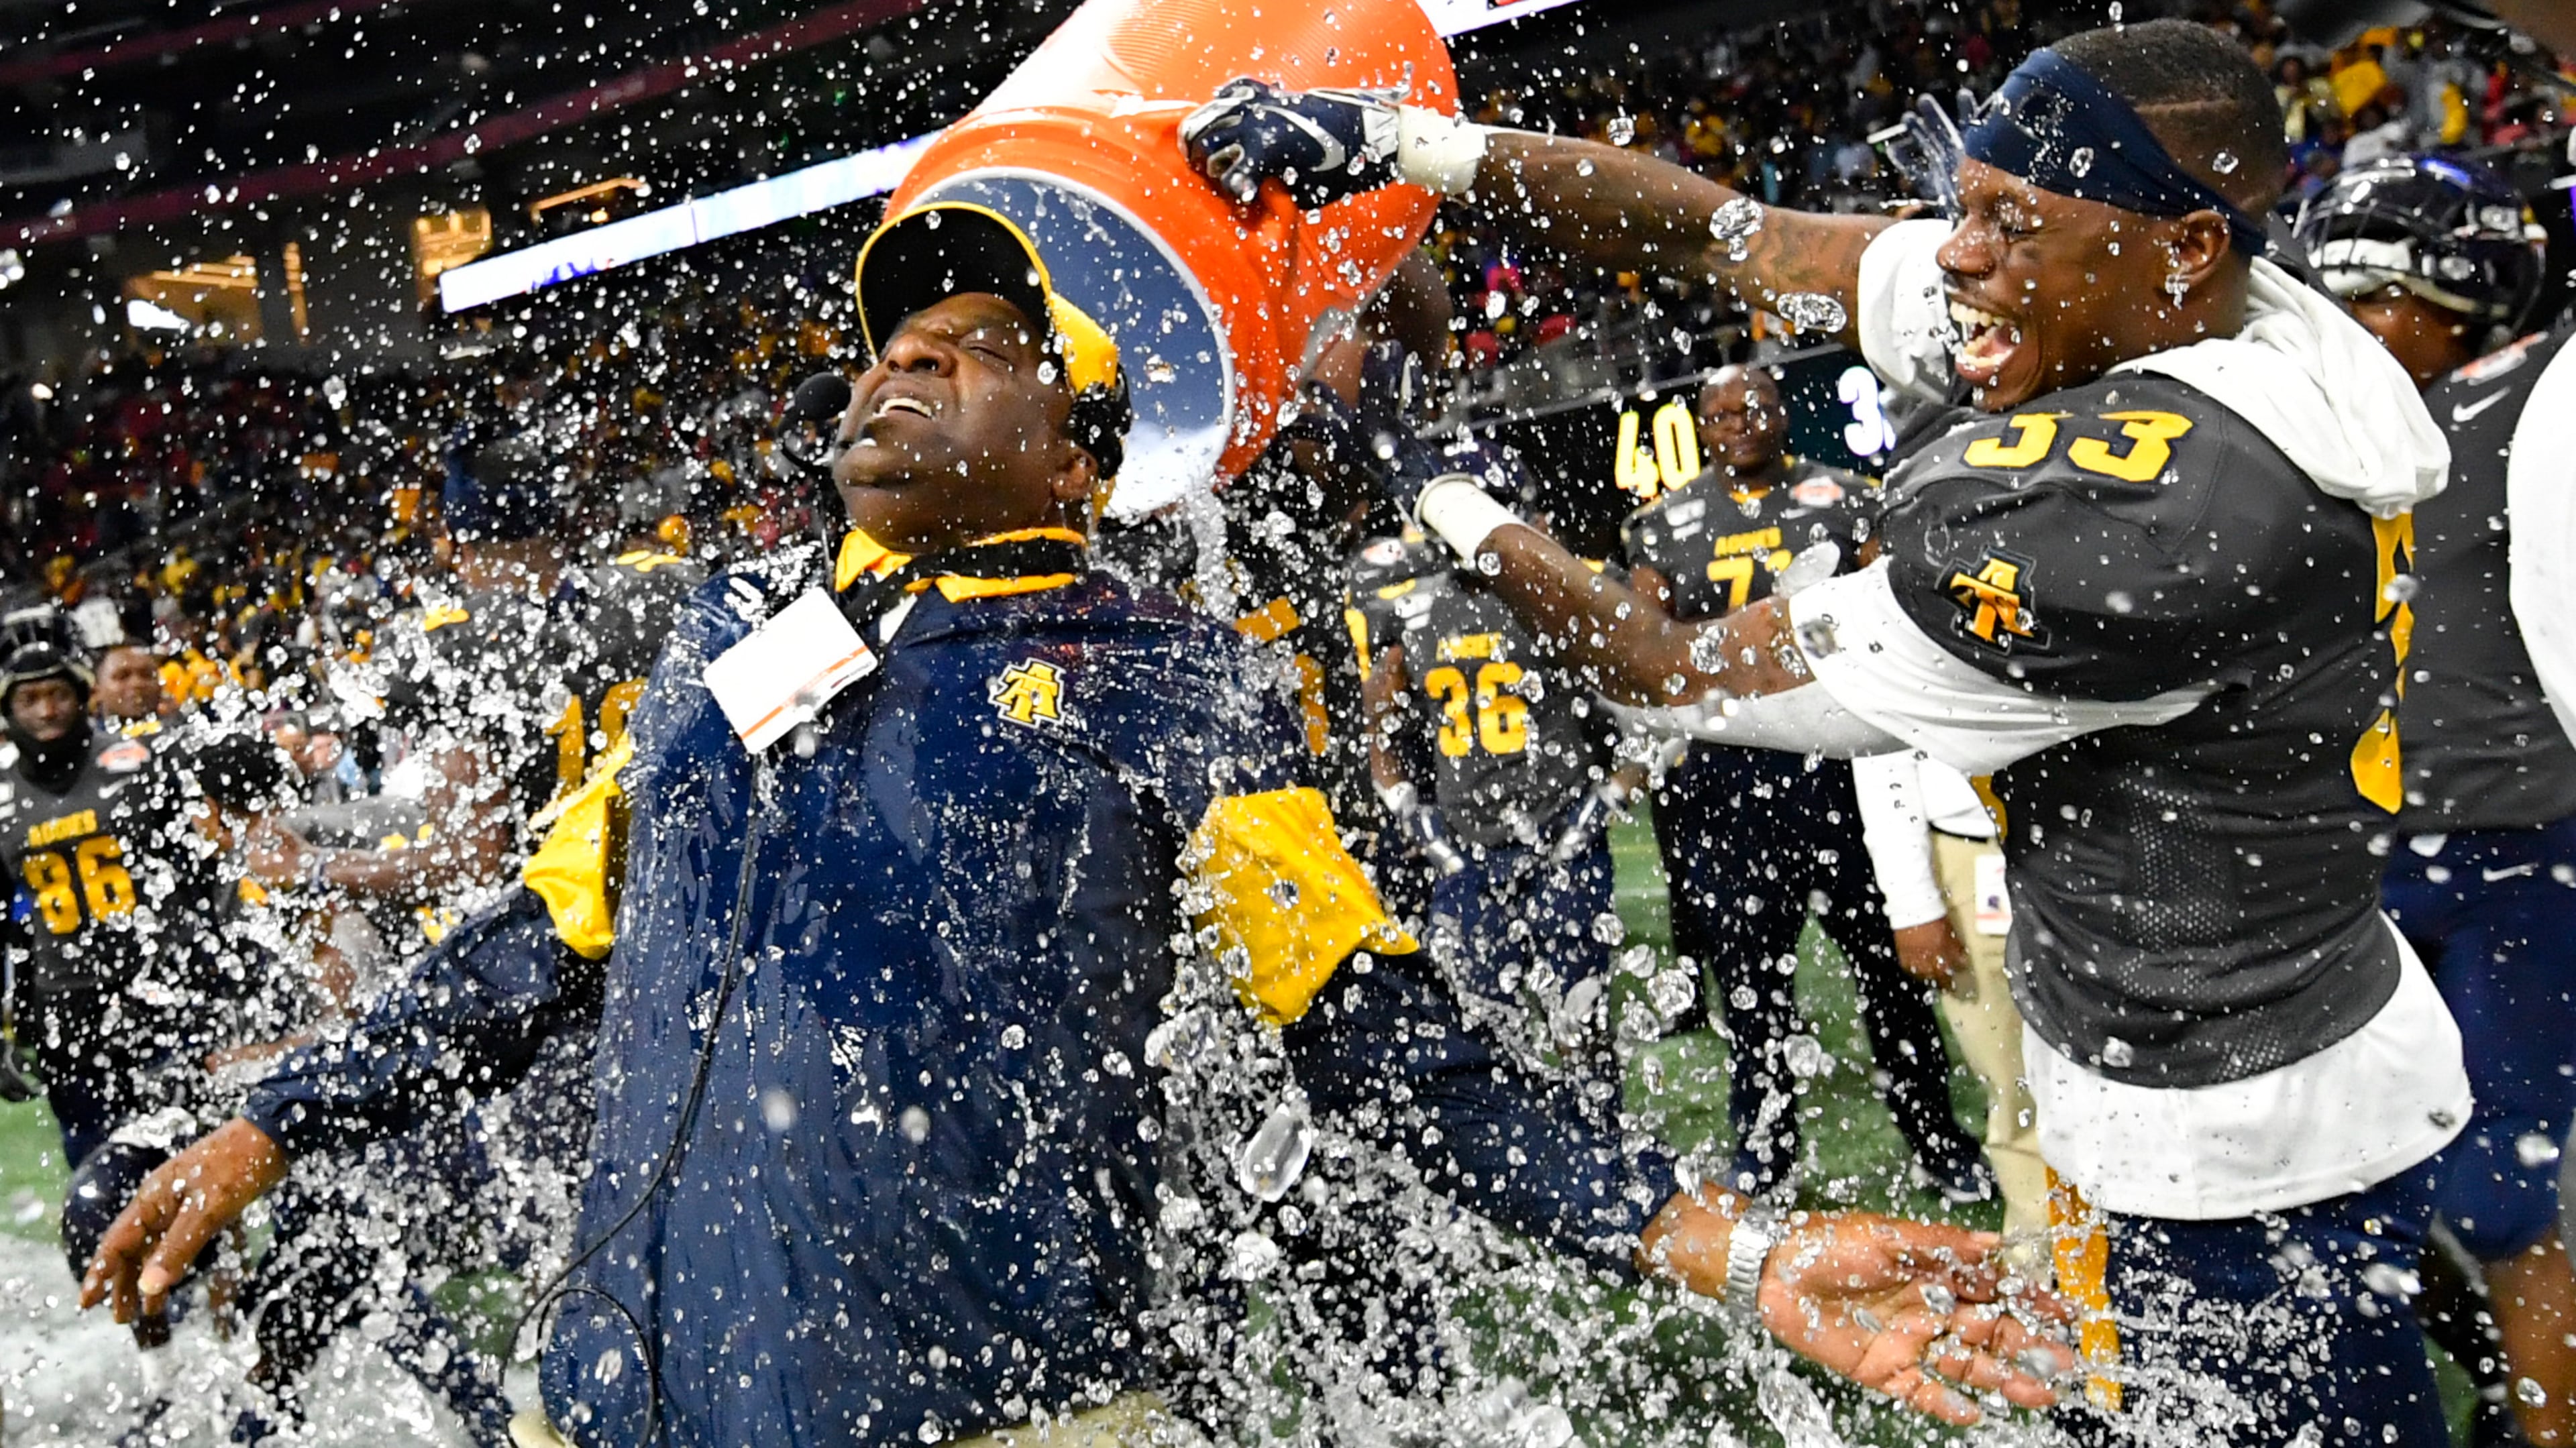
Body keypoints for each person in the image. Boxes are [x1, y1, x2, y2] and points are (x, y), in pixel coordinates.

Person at [83, 203, 2069, 1443]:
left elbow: (1373, 1029)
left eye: (969, 353)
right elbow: (532, 943)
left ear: (1082, 445)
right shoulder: (724, 643)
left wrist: (1701, 1227)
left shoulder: (1171, 674)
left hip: (994, 1406)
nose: (900, 364)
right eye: (889, 343)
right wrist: (283, 1111)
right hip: (610, 1396)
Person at [1184, 17, 2467, 1443]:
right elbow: (1742, 239)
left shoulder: (2149, 518)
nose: (1958, 255)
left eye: (2007, 223)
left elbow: (1661, 667)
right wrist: (1402, 144)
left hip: (2225, 1134)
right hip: (2297, 1018)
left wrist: (1433, 483)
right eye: (1964, 205)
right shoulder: (2187, 295)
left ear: (2177, 248)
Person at [2299, 154, 2576, 1447]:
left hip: (2519, 836)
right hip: (2350, 857)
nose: (2351, 324)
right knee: (2361, 1183)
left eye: (2379, 296)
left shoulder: (2536, 396)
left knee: (2504, 1189)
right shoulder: (2326, 429)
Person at [1620, 363, 1988, 1204]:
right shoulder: (1666, 522)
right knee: (1753, 987)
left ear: (1782, 413)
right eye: (1719, 412)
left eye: (1754, 406)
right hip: (1728, 783)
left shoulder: (1847, 496)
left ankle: (1937, 1140)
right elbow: (1648, 645)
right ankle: (1765, 1152)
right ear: (1701, 426)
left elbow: (1893, 622)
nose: (1738, 422)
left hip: (1839, 772)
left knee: (1890, 978)